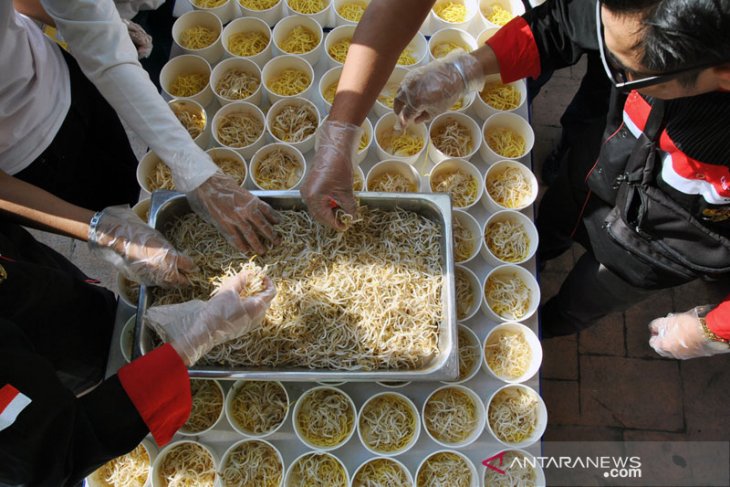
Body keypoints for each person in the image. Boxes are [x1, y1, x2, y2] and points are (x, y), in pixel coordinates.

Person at [301, 0, 730, 360]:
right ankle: (548, 253)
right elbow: (566, 22)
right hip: (613, 156)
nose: (618, 75)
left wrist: (713, 330)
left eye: (629, 72)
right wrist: (468, 68)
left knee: (595, 290)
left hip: (667, 239)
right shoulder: (648, 23)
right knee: (561, 213)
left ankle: (556, 323)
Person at [5, 0, 279, 256]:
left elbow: (99, 46)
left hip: (58, 75)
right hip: (24, 154)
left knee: (124, 177)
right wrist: (100, 229)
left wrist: (91, 25)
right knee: (107, 206)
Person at [0, 268, 275, 486]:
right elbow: (57, 451)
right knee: (84, 372)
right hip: (31, 380)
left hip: (28, 287)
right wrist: (199, 336)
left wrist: (98, 227)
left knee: (83, 315)